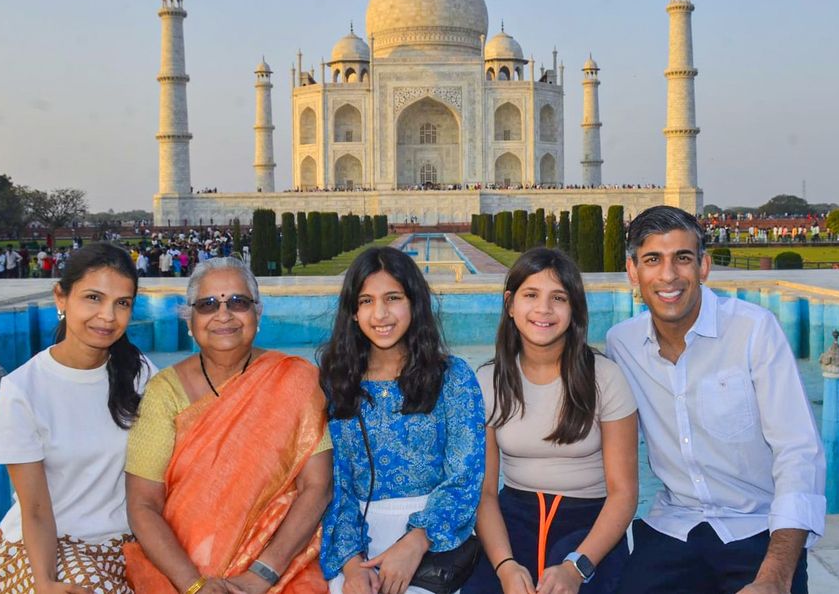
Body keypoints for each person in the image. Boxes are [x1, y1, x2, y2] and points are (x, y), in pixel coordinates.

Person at [605, 206, 825, 594]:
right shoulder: (622, 343)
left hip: (757, 528)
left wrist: (775, 574)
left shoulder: (753, 330)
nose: (669, 275)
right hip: (675, 526)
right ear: (632, 272)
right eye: (653, 260)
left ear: (704, 267)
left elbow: (798, 451)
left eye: (683, 259)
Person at [124, 256, 331, 594]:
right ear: (190, 320)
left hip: (278, 568)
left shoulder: (296, 379)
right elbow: (142, 504)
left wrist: (261, 576)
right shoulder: (165, 392)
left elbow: (317, 487)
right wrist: (194, 584)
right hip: (178, 571)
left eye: (238, 302)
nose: (224, 315)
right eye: (207, 305)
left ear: (257, 314)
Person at [0, 242, 157, 593]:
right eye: (93, 298)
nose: (108, 316)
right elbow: (33, 507)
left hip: (124, 543)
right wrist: (45, 581)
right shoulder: (24, 389)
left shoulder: (139, 375)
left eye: (121, 303)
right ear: (61, 298)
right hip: (45, 545)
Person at [465, 248, 638, 594]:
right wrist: (505, 566)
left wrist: (578, 567)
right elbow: (484, 493)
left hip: (589, 525)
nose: (543, 309)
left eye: (558, 297)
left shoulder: (604, 378)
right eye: (531, 295)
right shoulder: (488, 381)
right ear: (510, 304)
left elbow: (624, 493)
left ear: (573, 310)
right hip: (513, 520)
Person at [319, 246, 486, 594]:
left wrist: (417, 541)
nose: (380, 314)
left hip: (435, 540)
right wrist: (352, 566)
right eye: (366, 301)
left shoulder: (452, 377)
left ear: (414, 302)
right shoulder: (336, 383)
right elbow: (337, 485)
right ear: (352, 311)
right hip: (358, 544)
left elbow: (465, 477)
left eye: (392, 298)